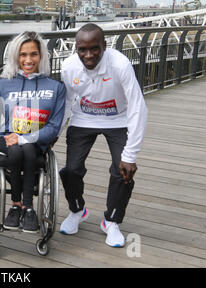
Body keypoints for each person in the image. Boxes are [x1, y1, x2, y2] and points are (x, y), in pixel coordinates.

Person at [58, 23, 148, 247]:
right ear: (76, 49)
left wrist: (131, 154)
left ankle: (111, 221)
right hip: (83, 118)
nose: (88, 55)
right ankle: (77, 210)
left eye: (94, 49)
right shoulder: (68, 66)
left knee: (123, 170)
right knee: (71, 170)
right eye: (82, 50)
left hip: (118, 119)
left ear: (104, 46)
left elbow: (138, 107)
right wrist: (54, 134)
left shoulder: (120, 64)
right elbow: (67, 103)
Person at [0, 31, 66, 233]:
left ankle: (26, 208)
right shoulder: (1, 84)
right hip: (6, 140)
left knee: (28, 149)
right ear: (15, 56)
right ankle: (18, 206)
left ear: (42, 56)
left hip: (36, 142)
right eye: (23, 55)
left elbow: (54, 126)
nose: (28, 60)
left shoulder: (56, 87)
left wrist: (25, 138)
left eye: (33, 54)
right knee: (15, 150)